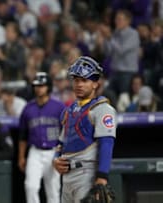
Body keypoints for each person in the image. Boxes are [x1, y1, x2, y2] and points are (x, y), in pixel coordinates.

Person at [53, 56, 117, 203]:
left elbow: (106, 143)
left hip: (87, 173)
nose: (79, 84)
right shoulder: (69, 111)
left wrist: (102, 177)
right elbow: (61, 142)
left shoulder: (102, 109)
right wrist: (55, 159)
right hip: (67, 176)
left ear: (95, 84)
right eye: (76, 80)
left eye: (84, 80)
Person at [18, 72, 65, 203]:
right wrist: (21, 156)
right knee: (30, 186)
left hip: (54, 151)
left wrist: (63, 154)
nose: (39, 88)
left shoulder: (59, 107)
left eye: (42, 85)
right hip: (35, 152)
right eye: (37, 85)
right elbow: (23, 135)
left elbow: (66, 133)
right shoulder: (28, 108)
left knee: (53, 190)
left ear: (49, 87)